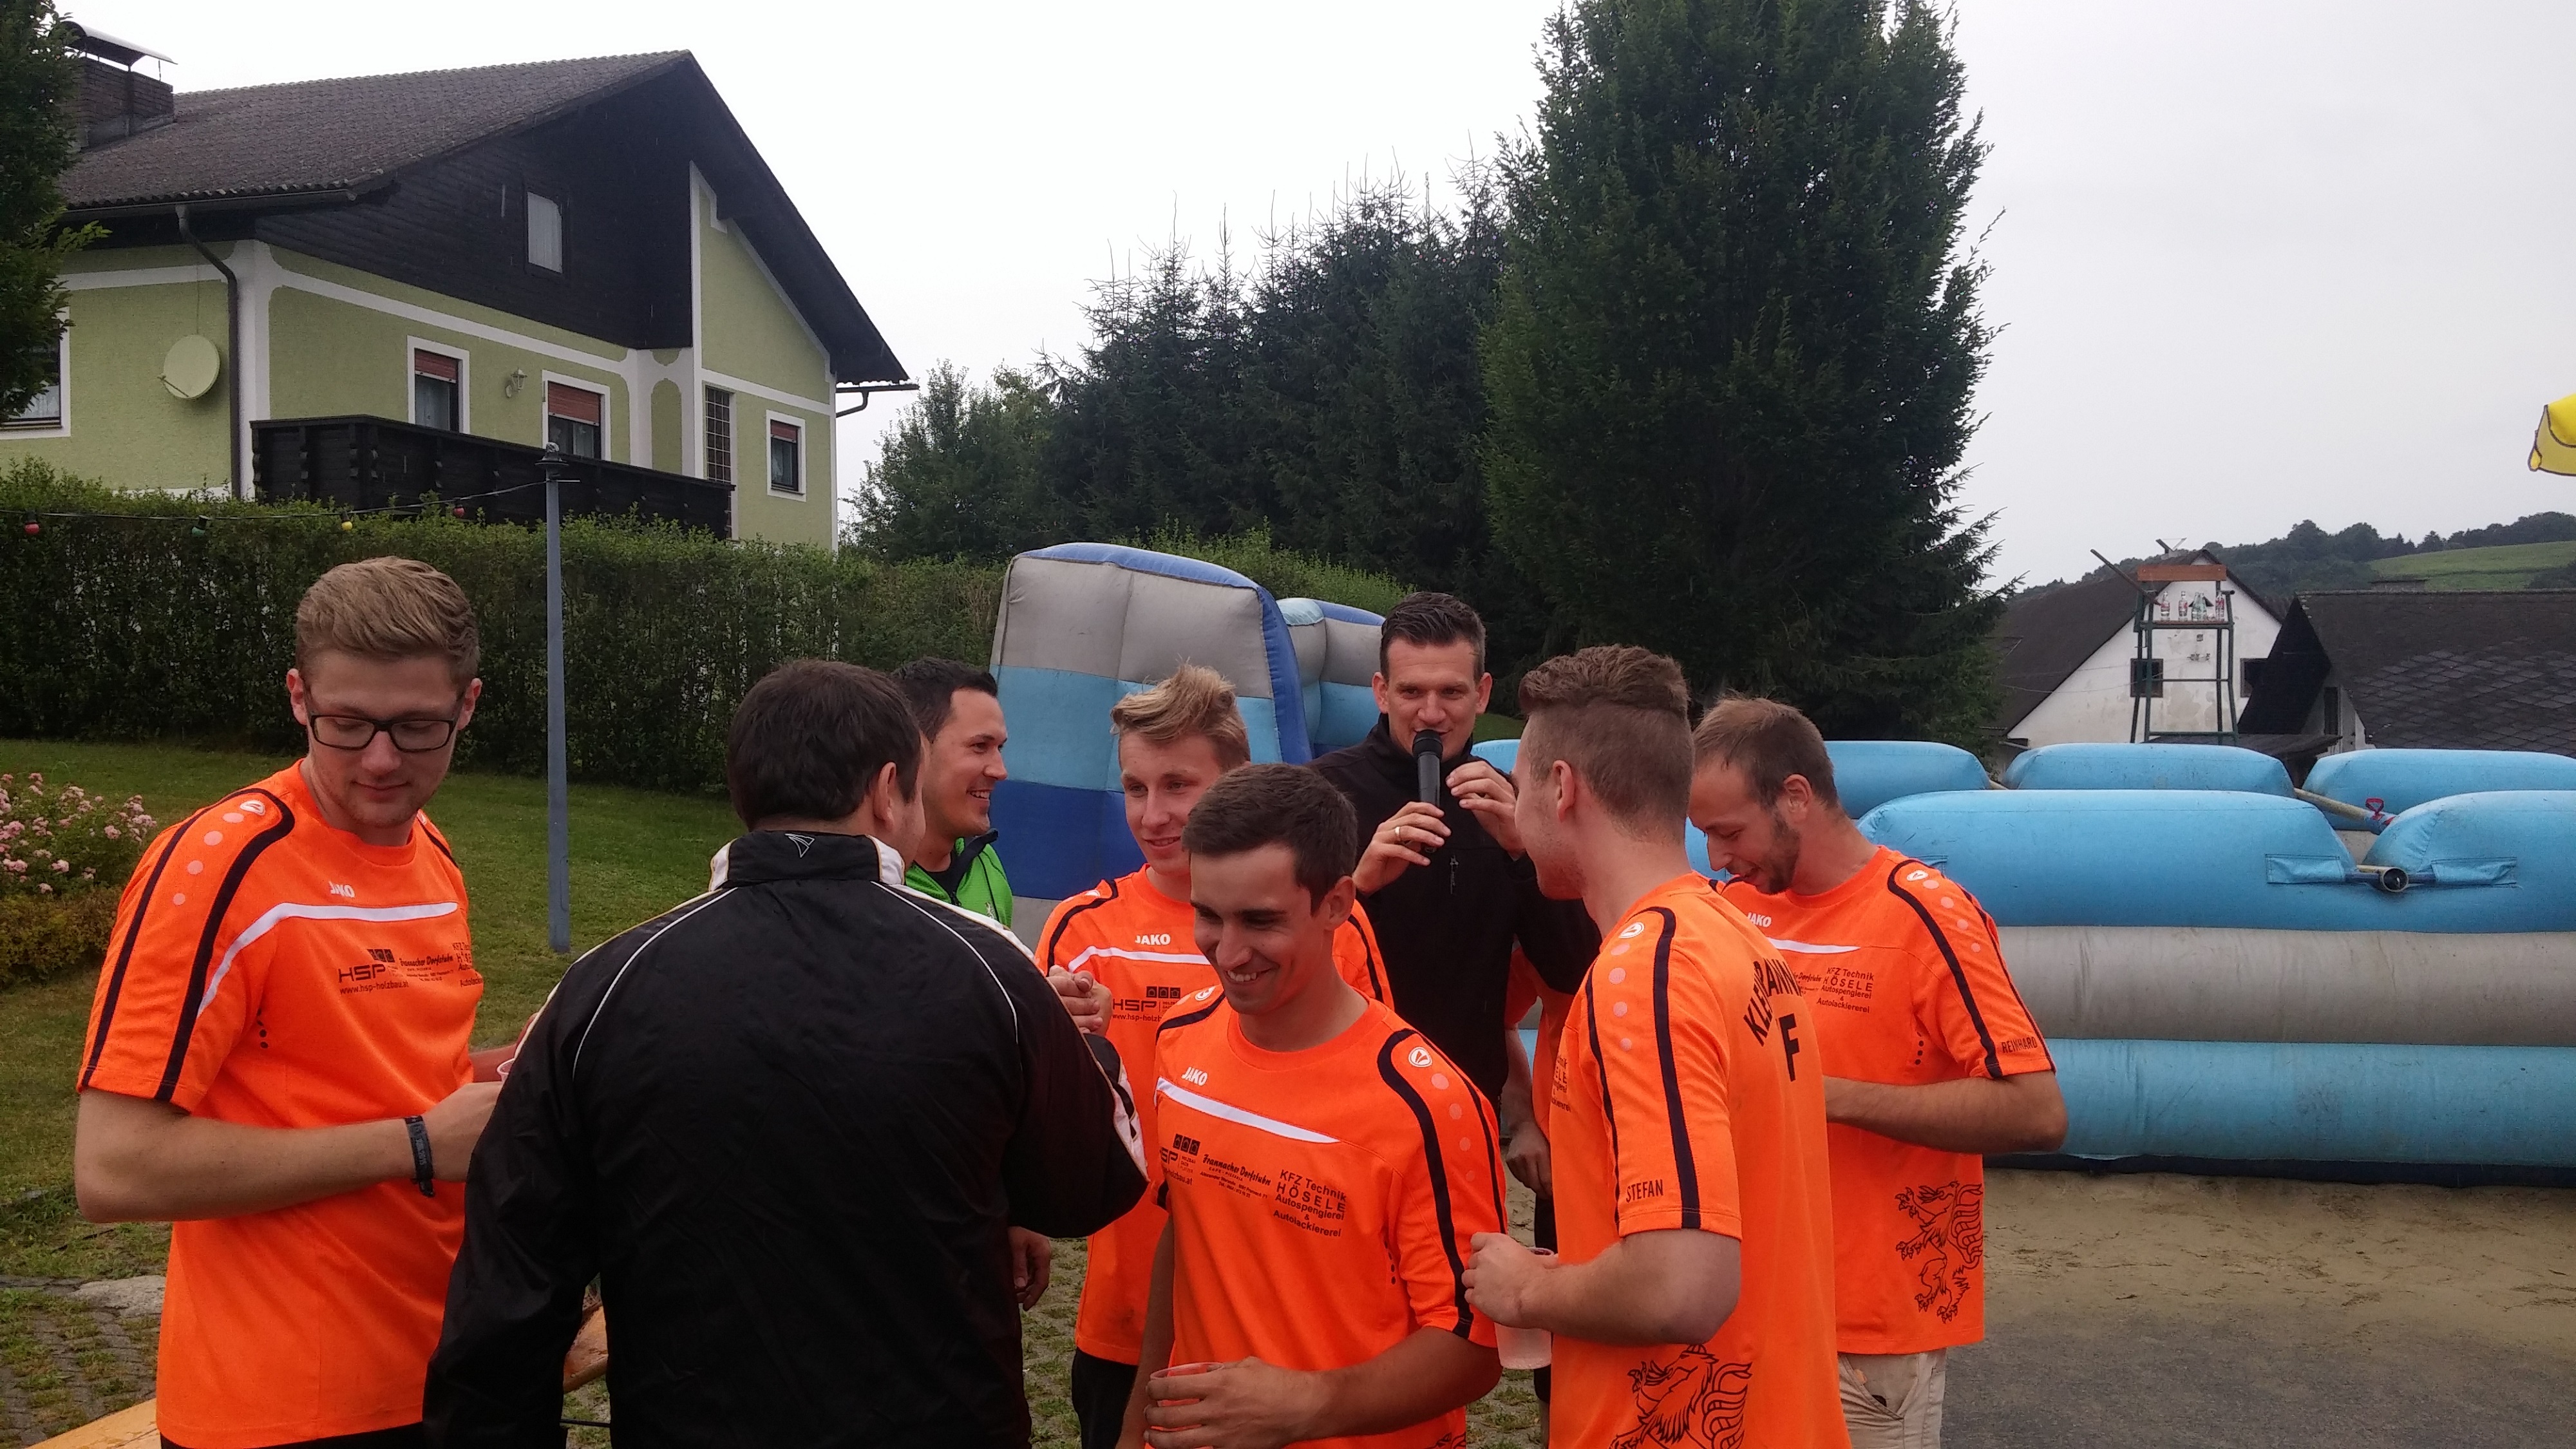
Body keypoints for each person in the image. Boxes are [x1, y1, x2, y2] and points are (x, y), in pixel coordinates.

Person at [424, 660, 1145, 1448]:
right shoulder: (988, 966)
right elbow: (1090, 1187)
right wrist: (1092, 1052)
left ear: (745, 793)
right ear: (888, 790)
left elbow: (510, 1285)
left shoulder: (603, 986)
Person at [71, 556, 499, 1449]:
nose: (381, 759)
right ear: (299, 698)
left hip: (448, 1365)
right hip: (282, 1409)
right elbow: (115, 1168)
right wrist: (420, 1143)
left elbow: (374, 1077)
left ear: (467, 706)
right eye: (347, 724)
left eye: (417, 727)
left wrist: (514, 1071)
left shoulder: (432, 849)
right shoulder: (219, 867)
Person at [1465, 647, 1844, 1449]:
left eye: (1522, 787)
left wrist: (1525, 1290)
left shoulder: (1645, 972)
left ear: (1562, 788)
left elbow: (1681, 1288)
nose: (1518, 814)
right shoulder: (1732, 934)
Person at [1037, 665, 1397, 1449]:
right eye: (1135, 788)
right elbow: (1041, 1127)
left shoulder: (1327, 925)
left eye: (1179, 785)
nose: (1154, 814)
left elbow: (1372, 1112)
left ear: (1234, 782)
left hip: (1288, 1321)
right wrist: (1056, 1050)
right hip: (1127, 1314)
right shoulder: (1082, 930)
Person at [1692, 697, 2066, 1447]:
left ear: (1795, 797)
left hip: (1866, 1332)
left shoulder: (1926, 914)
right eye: (1704, 835)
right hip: (1738, 1310)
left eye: (1728, 832)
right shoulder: (1726, 908)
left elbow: (2036, 1110)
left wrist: (1822, 1097)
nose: (1716, 858)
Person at [1118, 765, 1504, 1449]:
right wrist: (1137, 1425)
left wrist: (1309, 1405)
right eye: (1208, 915)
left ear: (1336, 904)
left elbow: (1474, 1347)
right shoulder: (1180, 1038)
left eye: (1260, 920)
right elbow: (1189, 1236)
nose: (1227, 952)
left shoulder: (1427, 1103)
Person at [1308, 592, 1594, 1107]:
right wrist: (1361, 887)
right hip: (1343, 1091)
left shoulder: (1518, 803)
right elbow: (1285, 959)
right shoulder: (1318, 792)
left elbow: (1573, 971)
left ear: (1482, 694)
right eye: (1412, 691)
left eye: (1451, 692)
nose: (1431, 713)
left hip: (1464, 1100)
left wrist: (1524, 853)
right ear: (1381, 693)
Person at [894, 657, 1014, 925]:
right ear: (915, 749)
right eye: (980, 746)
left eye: (1000, 748)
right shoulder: (873, 880)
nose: (1000, 771)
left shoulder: (985, 862)